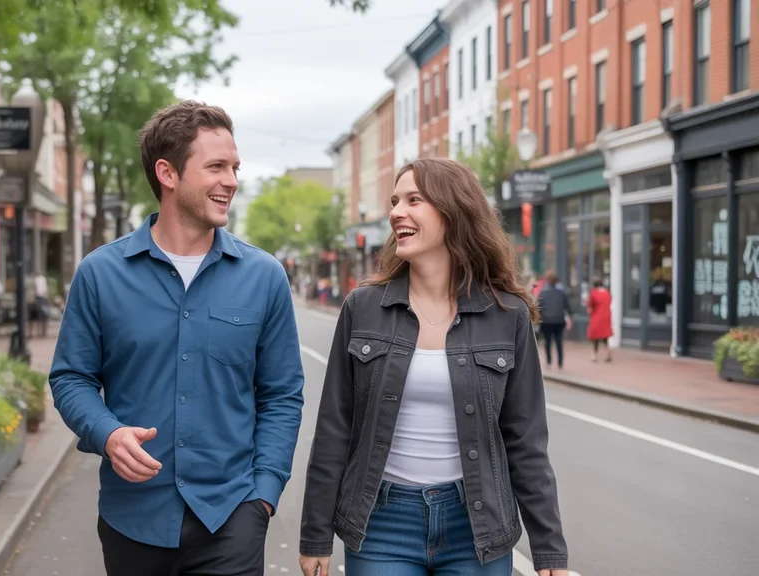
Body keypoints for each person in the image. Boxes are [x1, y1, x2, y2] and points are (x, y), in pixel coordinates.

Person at [49, 100, 305, 576]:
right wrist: (107, 434)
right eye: (216, 167)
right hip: (133, 520)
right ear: (167, 173)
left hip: (232, 518)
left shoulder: (265, 277)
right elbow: (71, 378)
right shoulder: (100, 274)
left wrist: (263, 497)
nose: (231, 180)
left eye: (234, 167)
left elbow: (282, 396)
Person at [298, 158, 568, 576]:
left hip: (477, 525)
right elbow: (335, 426)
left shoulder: (506, 314)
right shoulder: (364, 307)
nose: (395, 212)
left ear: (452, 211)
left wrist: (549, 549)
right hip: (381, 523)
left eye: (414, 200)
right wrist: (315, 533)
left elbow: (526, 440)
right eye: (394, 201)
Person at [537, 271, 572, 370]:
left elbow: (538, 306)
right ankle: (560, 362)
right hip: (559, 320)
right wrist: (569, 316)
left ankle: (549, 362)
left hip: (547, 321)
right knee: (559, 341)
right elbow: (567, 307)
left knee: (548, 341)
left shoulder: (543, 292)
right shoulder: (561, 293)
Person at [585, 277, 613, 362]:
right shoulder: (607, 293)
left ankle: (594, 355)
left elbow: (590, 305)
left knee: (595, 337)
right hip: (607, 316)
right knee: (605, 336)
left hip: (597, 316)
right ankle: (608, 353)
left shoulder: (594, 293)